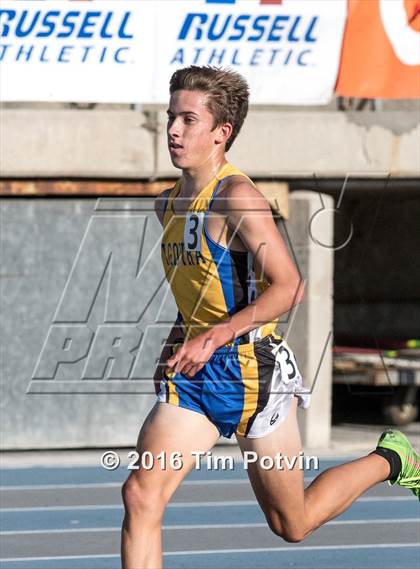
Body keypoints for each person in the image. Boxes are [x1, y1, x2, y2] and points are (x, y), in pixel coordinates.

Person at [120, 65, 420, 569]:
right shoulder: (167, 205)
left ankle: (392, 459)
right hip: (196, 376)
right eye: (171, 116)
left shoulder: (237, 198)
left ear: (221, 133)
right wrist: (178, 338)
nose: (173, 129)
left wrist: (215, 336)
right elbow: (200, 290)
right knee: (141, 495)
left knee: (293, 523)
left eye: (188, 120)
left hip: (252, 372)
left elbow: (290, 286)